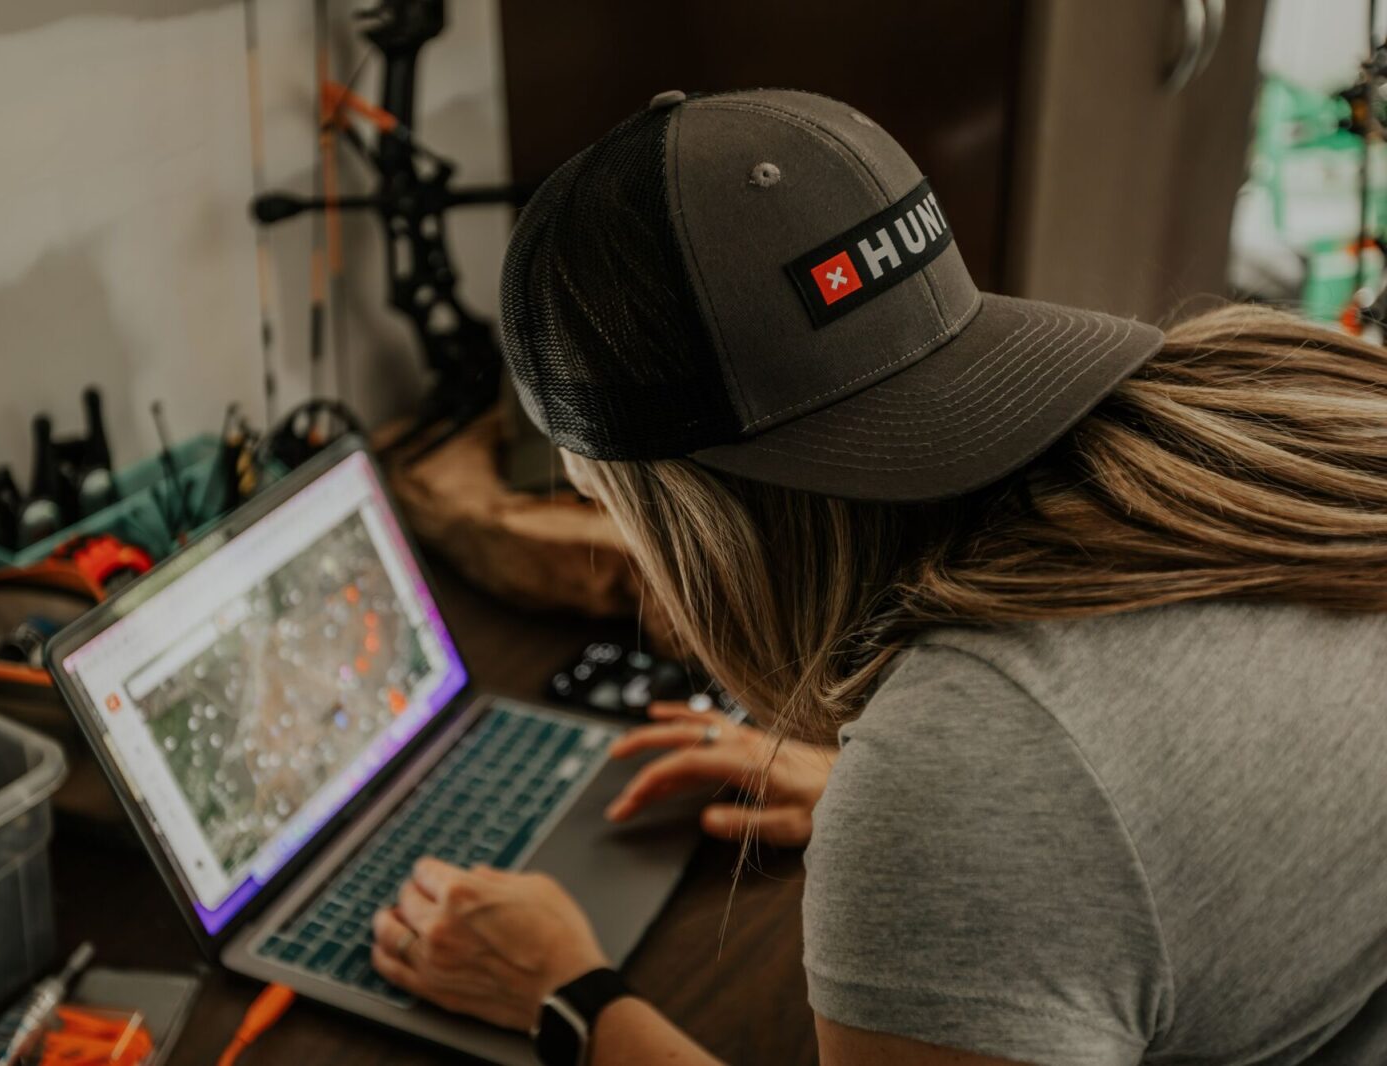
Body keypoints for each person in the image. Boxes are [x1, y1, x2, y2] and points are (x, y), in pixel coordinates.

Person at [368, 89, 1387, 1065]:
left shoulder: (967, 772)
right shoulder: (1268, 392)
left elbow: (1037, 775)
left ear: (673, 508)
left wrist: (568, 998)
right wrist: (885, 795)